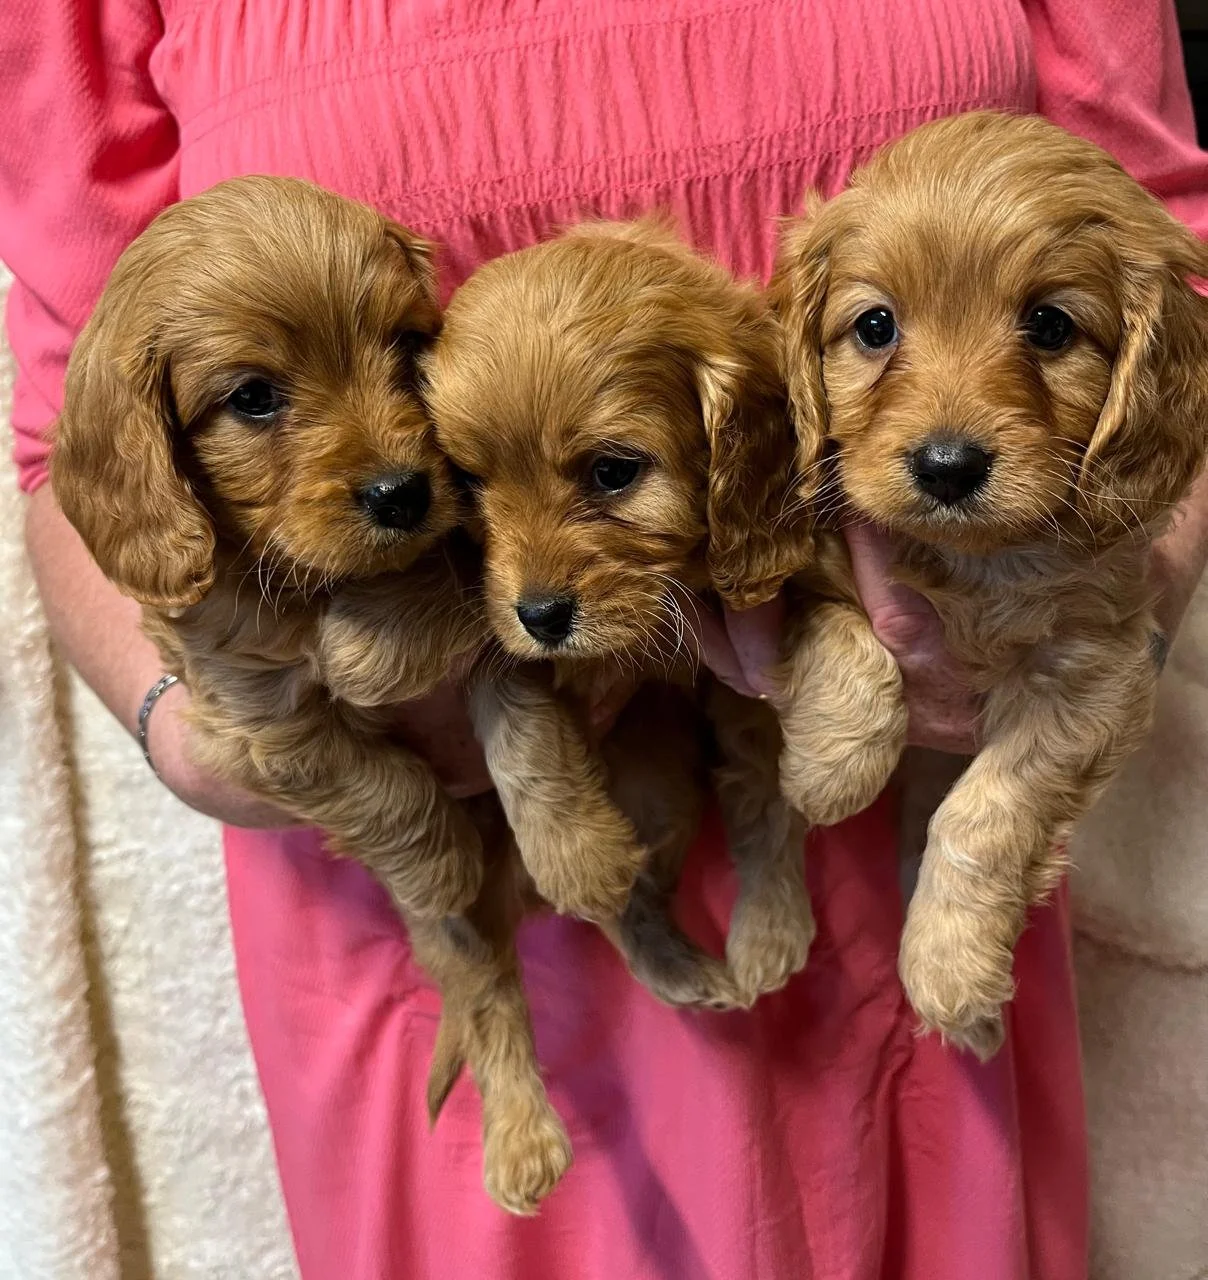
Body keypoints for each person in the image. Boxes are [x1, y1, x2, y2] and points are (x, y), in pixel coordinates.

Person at [3, 1, 1207, 1274]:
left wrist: (1084, 642)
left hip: (918, 859)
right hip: (438, 871)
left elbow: (1170, 254)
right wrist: (200, 729)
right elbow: (68, 423)